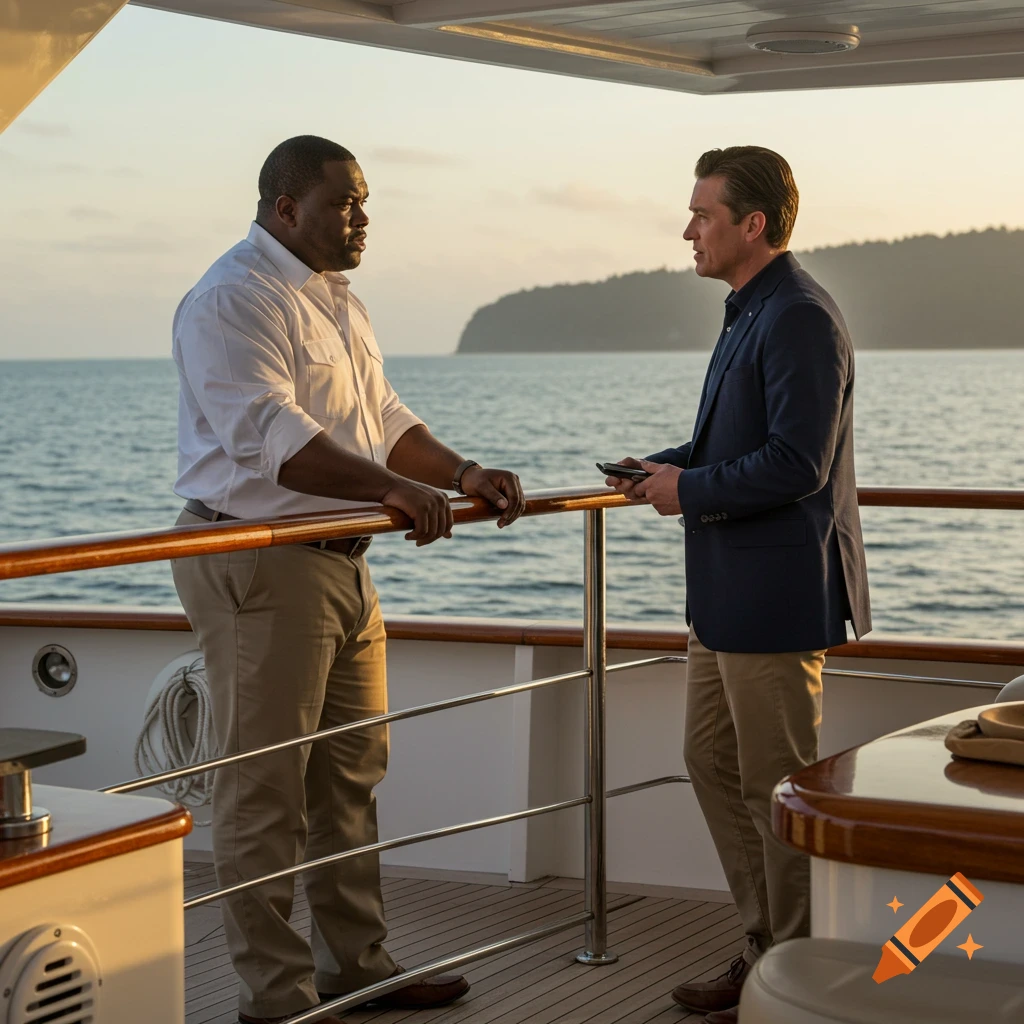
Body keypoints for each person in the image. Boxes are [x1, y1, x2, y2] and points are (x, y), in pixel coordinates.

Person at [171, 135, 525, 1024]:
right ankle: (275, 998)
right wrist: (388, 488)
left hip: (341, 563)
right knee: (263, 791)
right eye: (342, 203)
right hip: (258, 559)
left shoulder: (338, 301)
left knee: (350, 774)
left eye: (365, 202)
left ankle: (356, 968)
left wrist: (458, 472)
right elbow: (274, 437)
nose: (360, 218)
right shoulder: (230, 299)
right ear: (284, 208)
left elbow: (383, 419)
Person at [607, 146, 870, 1024]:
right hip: (725, 597)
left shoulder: (797, 316)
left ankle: (792, 970)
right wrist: (665, 465)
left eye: (702, 214)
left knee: (778, 788)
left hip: (771, 599)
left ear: (751, 225)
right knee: (712, 761)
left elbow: (799, 462)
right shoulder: (748, 312)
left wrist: (686, 491)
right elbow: (737, 443)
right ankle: (764, 947)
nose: (688, 228)